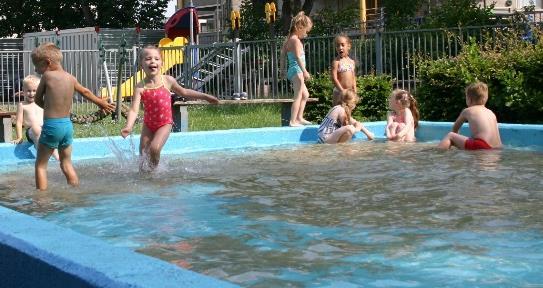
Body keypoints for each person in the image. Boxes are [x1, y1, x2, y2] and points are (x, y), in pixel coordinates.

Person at [32, 42, 116, 190]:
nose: (36, 69)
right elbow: (85, 92)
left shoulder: (47, 76)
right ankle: (75, 190)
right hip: (67, 126)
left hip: (52, 125)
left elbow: (37, 99)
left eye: (37, 66)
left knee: (40, 166)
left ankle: (42, 200)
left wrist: (49, 107)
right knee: (66, 163)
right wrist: (101, 103)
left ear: (47, 62)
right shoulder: (70, 77)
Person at [121, 46, 219, 171]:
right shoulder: (140, 87)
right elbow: (134, 110)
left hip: (164, 124)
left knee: (154, 148)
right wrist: (128, 126)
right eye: (148, 59)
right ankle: (143, 177)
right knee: (143, 155)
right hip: (148, 124)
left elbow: (184, 92)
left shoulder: (167, 81)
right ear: (141, 64)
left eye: (156, 59)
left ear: (161, 63)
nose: (153, 61)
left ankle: (154, 173)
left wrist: (205, 97)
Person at [438, 81, 502, 150]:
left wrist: (456, 143)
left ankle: (438, 152)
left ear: (469, 100)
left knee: (450, 135)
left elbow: (455, 128)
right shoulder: (491, 113)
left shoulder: (468, 110)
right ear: (486, 99)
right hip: (497, 147)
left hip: (481, 145)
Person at [12, 75, 60, 160]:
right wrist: (19, 137)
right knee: (36, 128)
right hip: (31, 132)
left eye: (34, 91)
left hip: (44, 130)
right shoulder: (22, 105)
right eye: (28, 91)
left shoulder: (42, 103)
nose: (32, 93)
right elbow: (19, 122)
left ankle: (57, 158)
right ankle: (41, 155)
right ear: (23, 91)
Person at [280, 11, 313, 127]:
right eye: (305, 31)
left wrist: (282, 70)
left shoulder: (288, 39)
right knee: (298, 95)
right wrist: (304, 71)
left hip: (292, 70)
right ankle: (293, 121)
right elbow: (298, 57)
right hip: (298, 71)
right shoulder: (295, 40)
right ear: (299, 27)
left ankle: (299, 117)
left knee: (305, 95)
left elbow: (282, 55)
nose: (306, 34)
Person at [331, 34, 357, 106]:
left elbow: (353, 78)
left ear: (348, 46)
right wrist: (342, 91)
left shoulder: (352, 62)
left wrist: (355, 90)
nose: (340, 48)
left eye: (342, 45)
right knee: (338, 112)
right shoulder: (336, 62)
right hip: (339, 92)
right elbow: (334, 78)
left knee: (348, 112)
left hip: (349, 93)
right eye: (338, 46)